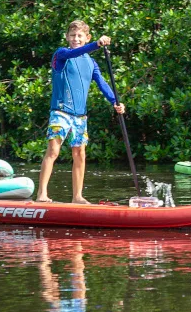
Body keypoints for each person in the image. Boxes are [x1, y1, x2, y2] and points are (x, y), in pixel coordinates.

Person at [36, 20, 125, 204]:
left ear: (87, 37)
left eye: (80, 36)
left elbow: (102, 84)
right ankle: (42, 194)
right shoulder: (62, 54)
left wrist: (115, 101)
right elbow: (75, 52)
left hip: (80, 116)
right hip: (60, 112)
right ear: (67, 37)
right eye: (72, 35)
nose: (76, 39)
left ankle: (77, 196)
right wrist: (96, 45)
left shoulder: (91, 63)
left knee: (80, 154)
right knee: (53, 150)